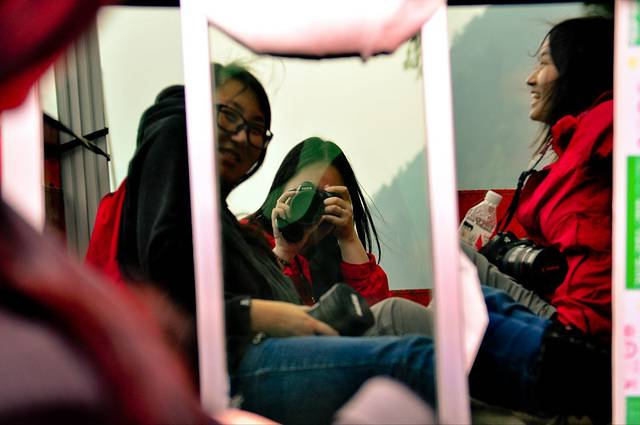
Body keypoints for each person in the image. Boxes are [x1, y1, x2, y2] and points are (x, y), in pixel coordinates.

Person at [109, 60, 610, 423]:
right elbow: (182, 288)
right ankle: (564, 387)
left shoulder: (238, 224)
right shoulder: (234, 217)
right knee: (412, 357)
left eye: (256, 129)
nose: (242, 137)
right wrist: (284, 251)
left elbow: (369, 306)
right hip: (238, 365)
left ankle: (557, 361)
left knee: (417, 310)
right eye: (227, 118)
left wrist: (347, 237)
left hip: (282, 343)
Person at [479, 16, 613, 340]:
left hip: (579, 332)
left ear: (578, 69)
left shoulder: (607, 122)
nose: (531, 79)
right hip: (565, 313)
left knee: (447, 273)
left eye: (543, 63)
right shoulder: (570, 145)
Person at [248, 137, 389, 305]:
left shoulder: (340, 253)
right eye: (302, 194)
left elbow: (373, 312)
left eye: (325, 196)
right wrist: (283, 252)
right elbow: (245, 303)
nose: (311, 204)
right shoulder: (247, 238)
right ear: (280, 190)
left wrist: (349, 238)